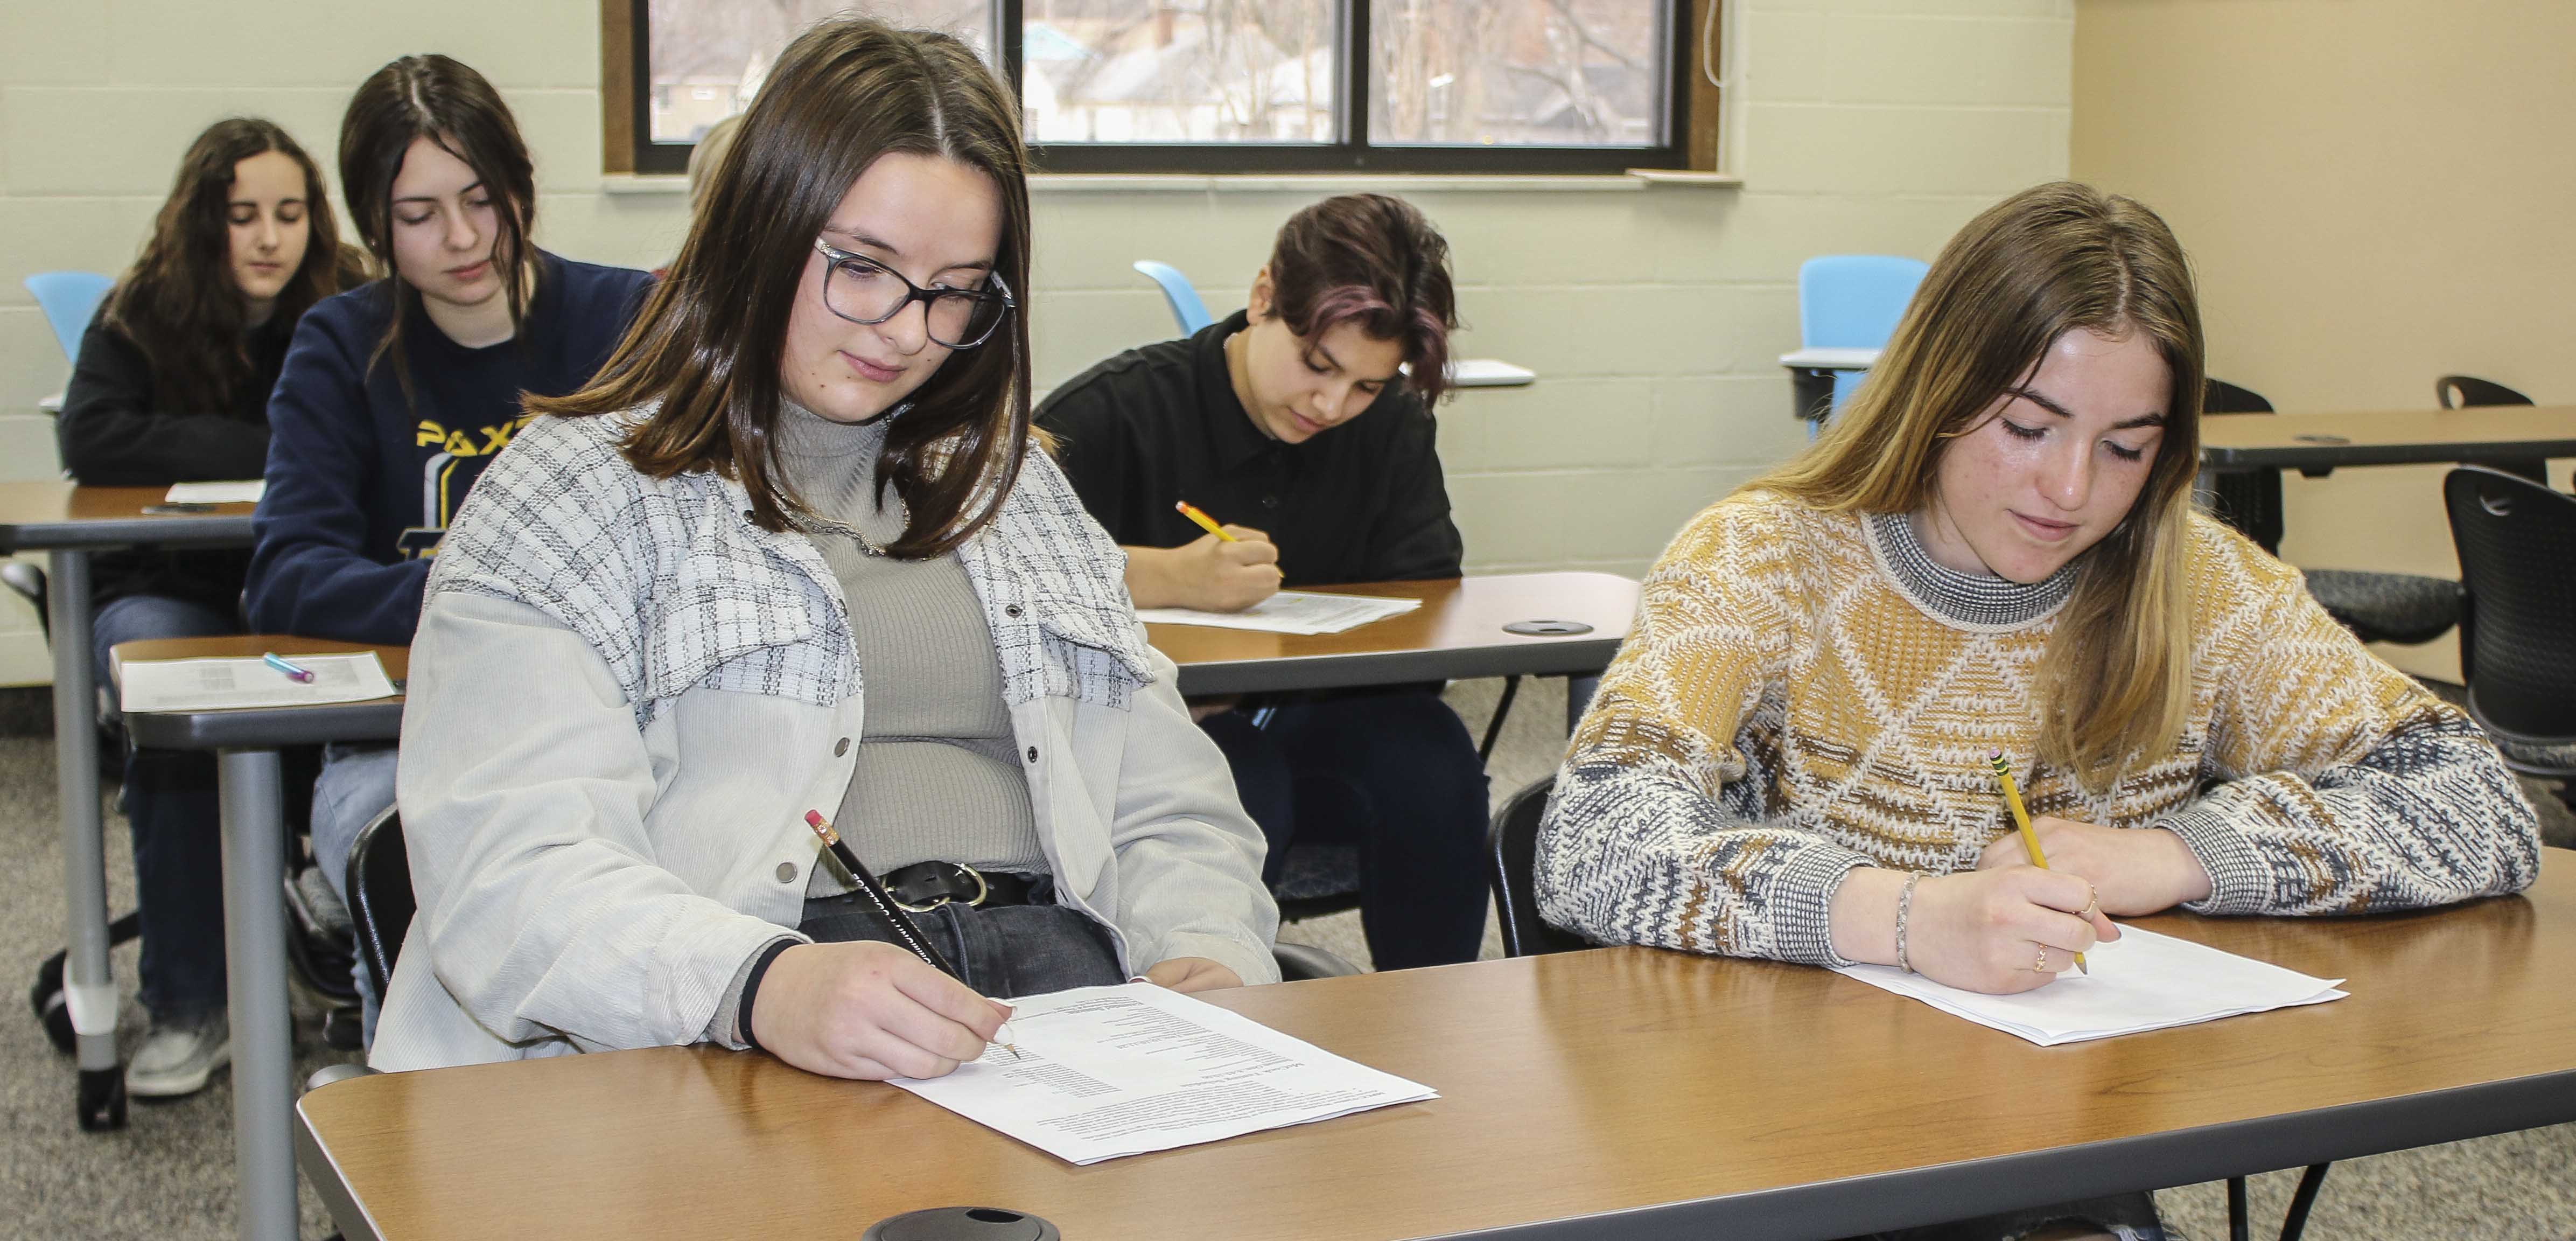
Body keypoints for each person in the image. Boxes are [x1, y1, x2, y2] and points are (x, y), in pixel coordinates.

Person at [1536, 181, 2539, 1241]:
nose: (2069, 489)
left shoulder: (2196, 584)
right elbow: (1592, 843)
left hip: (2060, 1136)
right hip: (1781, 1133)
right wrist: (1909, 918)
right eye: (2028, 426)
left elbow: (2480, 802)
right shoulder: (1763, 555)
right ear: (1936, 389)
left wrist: (2175, 854)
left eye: (2125, 447)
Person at [373, 16, 1277, 1075]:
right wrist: (757, 983)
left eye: (955, 292)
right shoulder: (570, 491)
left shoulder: (1017, 490)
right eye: (862, 267)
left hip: (1054, 1000)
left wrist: (1207, 947)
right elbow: (508, 864)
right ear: (758, 228)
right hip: (727, 1024)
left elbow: (1167, 799)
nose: (905, 329)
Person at [246, 54, 655, 1040]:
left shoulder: (624, 318)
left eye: (481, 198)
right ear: (373, 224)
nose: (463, 237)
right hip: (401, 735)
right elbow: (287, 576)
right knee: (408, 850)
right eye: (420, 214)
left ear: (520, 186)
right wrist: (485, 600)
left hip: (606, 722)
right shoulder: (340, 346)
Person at [1035, 193, 1487, 970]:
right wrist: (1170, 577)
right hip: (1146, 736)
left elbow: (1426, 605)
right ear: (1263, 298)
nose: (1332, 405)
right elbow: (1003, 587)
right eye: (1318, 365)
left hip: (1322, 719)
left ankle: (1437, 1017)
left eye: (1368, 387)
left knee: (1434, 759)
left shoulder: (1390, 429)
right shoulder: (1112, 415)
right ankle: (1222, 1028)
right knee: (1238, 776)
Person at [54, 117, 359, 1097]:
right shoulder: (141, 312)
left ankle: (350, 957)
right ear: (204, 222)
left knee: (370, 719)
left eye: (288, 213)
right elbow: (96, 439)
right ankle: (194, 1005)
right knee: (178, 724)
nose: (270, 238)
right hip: (168, 592)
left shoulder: (353, 301)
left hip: (305, 587)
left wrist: (221, 442)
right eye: (242, 217)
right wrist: (277, 443)